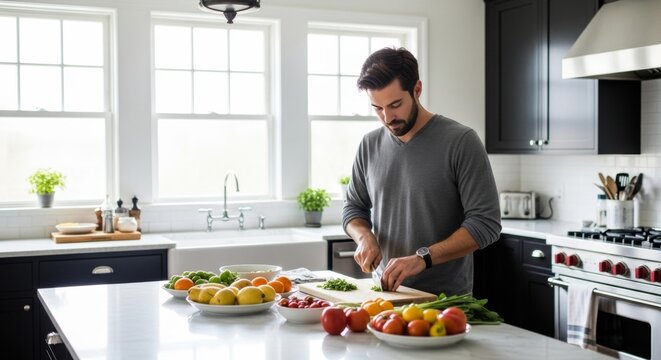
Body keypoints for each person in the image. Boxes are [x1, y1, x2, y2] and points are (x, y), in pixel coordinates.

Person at [342, 47, 501, 296]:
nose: (387, 117)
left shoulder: (461, 141)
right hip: (385, 296)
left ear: (417, 90)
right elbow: (353, 209)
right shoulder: (369, 145)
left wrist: (422, 258)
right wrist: (364, 236)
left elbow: (486, 224)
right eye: (377, 108)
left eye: (395, 105)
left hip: (445, 302)